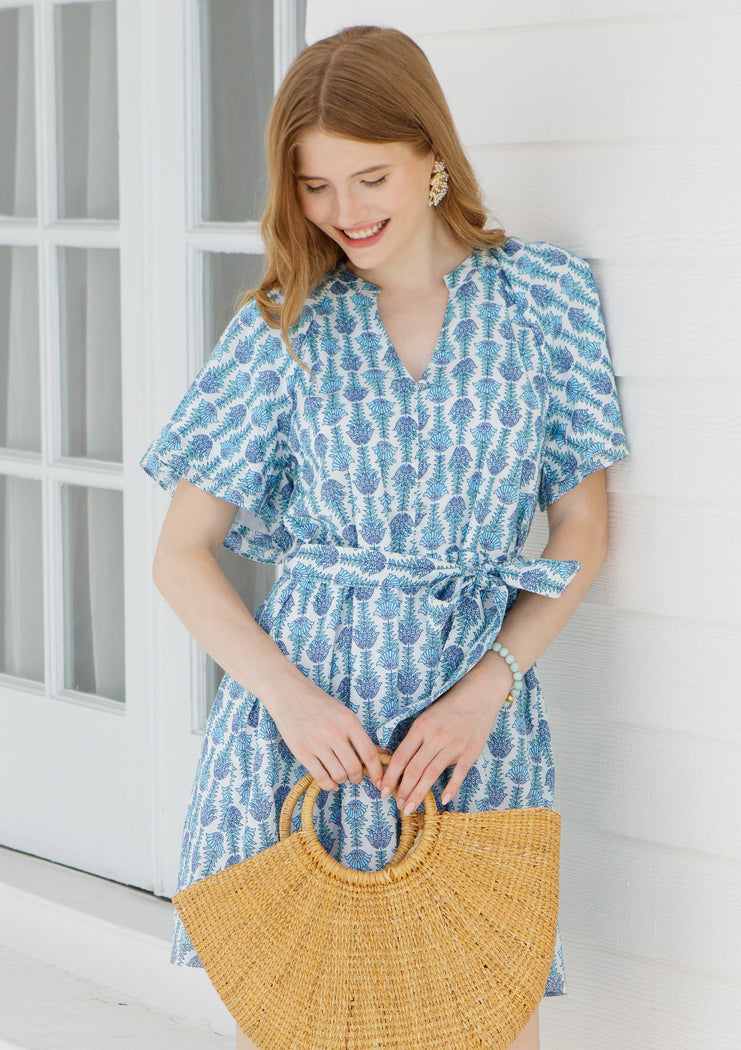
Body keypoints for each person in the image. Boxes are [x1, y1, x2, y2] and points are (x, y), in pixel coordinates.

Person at [141, 24, 629, 1050]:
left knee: (489, 1014)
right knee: (308, 1016)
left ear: (433, 157)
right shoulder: (285, 322)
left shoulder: (545, 298)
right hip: (312, 732)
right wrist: (289, 699)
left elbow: (582, 524)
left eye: (371, 178)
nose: (344, 213)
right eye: (315, 186)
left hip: (468, 730)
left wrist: (492, 681)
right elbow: (180, 554)